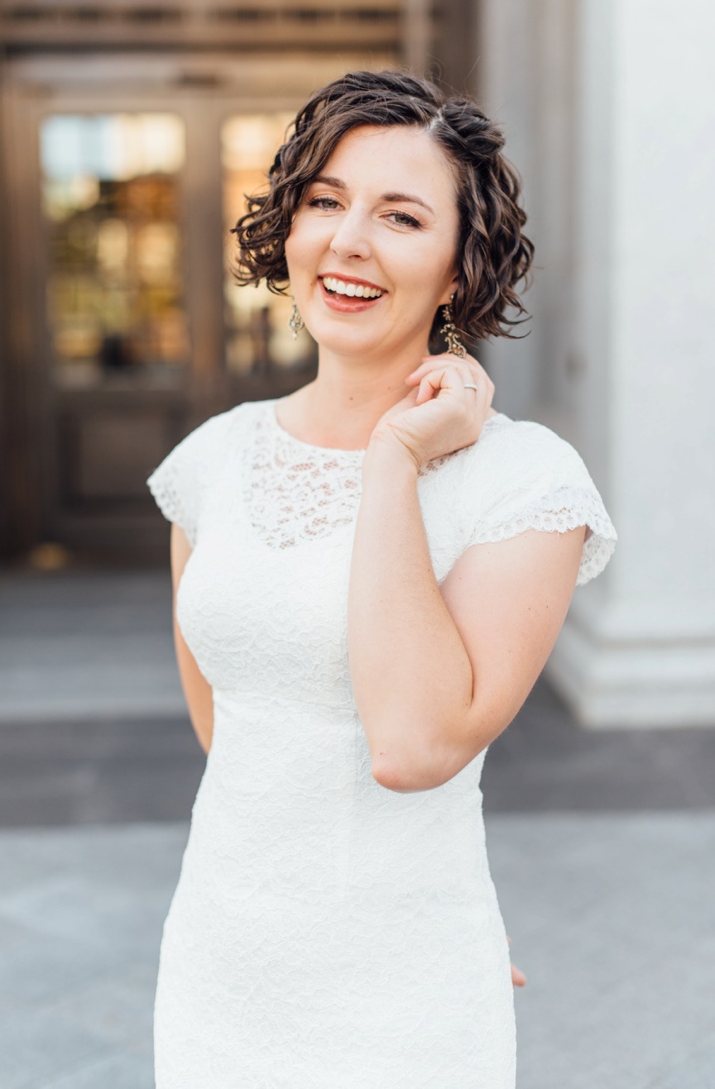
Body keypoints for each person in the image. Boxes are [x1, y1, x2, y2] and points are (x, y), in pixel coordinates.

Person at [146, 71, 616, 1087]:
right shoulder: (211, 462)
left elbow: (412, 746)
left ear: (458, 268)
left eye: (400, 216)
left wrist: (396, 462)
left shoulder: (526, 481)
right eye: (326, 200)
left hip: (406, 993)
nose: (349, 240)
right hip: (219, 972)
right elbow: (230, 731)